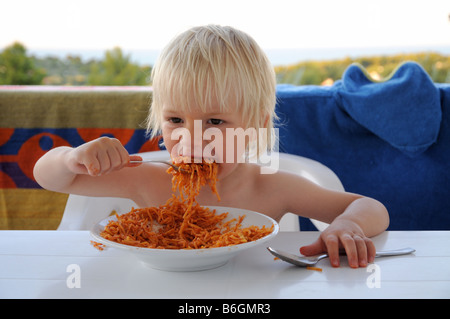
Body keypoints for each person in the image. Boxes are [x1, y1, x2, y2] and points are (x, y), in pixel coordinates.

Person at [33, 25, 389, 268]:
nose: (191, 137)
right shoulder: (148, 180)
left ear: (255, 128)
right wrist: (72, 158)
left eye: (216, 122)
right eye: (175, 120)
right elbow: (51, 178)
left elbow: (369, 206)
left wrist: (348, 226)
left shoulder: (274, 188)